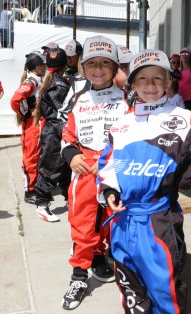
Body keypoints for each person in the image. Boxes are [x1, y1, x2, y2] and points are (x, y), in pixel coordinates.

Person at [96, 49, 191, 314]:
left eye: (157, 78)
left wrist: (180, 180)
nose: (150, 85)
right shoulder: (121, 125)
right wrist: (109, 190)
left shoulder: (184, 119)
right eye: (143, 79)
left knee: (164, 290)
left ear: (168, 82)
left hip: (159, 222)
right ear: (133, 84)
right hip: (121, 222)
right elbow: (106, 164)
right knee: (130, 289)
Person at [61, 35, 130, 310]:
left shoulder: (128, 100)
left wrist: (109, 161)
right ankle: (79, 277)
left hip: (116, 167)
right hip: (84, 169)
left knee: (116, 222)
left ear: (115, 68)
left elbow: (134, 137)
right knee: (83, 224)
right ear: (83, 67)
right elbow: (66, 135)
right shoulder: (78, 98)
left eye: (105, 63)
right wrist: (72, 155)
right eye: (92, 63)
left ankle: (118, 266)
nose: (98, 68)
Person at [34, 47, 72, 222]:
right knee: (50, 169)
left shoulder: (49, 80)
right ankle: (41, 205)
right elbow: (62, 112)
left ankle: (69, 200)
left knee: (65, 169)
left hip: (52, 129)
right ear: (66, 64)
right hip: (56, 131)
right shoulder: (60, 84)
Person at [10, 52, 47, 204]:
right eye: (43, 65)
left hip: (36, 124)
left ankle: (35, 187)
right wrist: (25, 113)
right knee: (31, 157)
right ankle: (29, 191)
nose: (46, 67)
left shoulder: (37, 79)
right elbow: (15, 99)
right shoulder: (32, 81)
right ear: (38, 67)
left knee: (36, 156)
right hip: (32, 125)